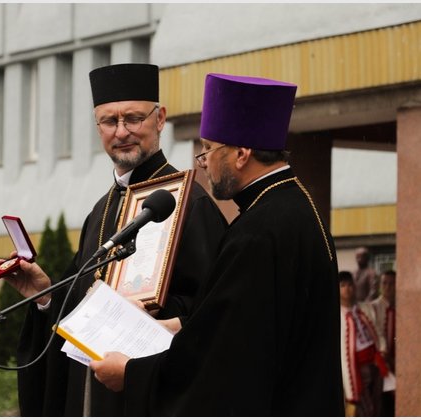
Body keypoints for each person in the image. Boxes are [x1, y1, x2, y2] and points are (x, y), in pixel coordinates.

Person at [89, 73, 345, 415]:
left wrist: (133, 374)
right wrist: (174, 326)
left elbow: (224, 361)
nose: (203, 161)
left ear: (241, 154)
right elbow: (243, 322)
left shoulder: (259, 232)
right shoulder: (292, 208)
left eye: (208, 148)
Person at [12, 63, 228, 416]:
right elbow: (81, 305)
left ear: (160, 119)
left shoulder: (189, 202)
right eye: (109, 121)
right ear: (98, 127)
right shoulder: (101, 210)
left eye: (133, 118)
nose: (122, 131)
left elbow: (214, 310)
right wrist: (46, 296)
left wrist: (150, 316)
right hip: (89, 394)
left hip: (147, 395)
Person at [339, 270, 386, 417]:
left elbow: (378, 332)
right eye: (343, 286)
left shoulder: (365, 308)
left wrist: (383, 350)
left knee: (377, 402)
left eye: (350, 285)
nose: (347, 289)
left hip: (375, 363)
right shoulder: (336, 316)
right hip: (355, 368)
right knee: (363, 407)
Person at [371, 269, 396, 416]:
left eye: (391, 283)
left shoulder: (402, 306)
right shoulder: (373, 307)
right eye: (384, 283)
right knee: (381, 401)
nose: (387, 287)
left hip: (398, 360)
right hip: (381, 361)